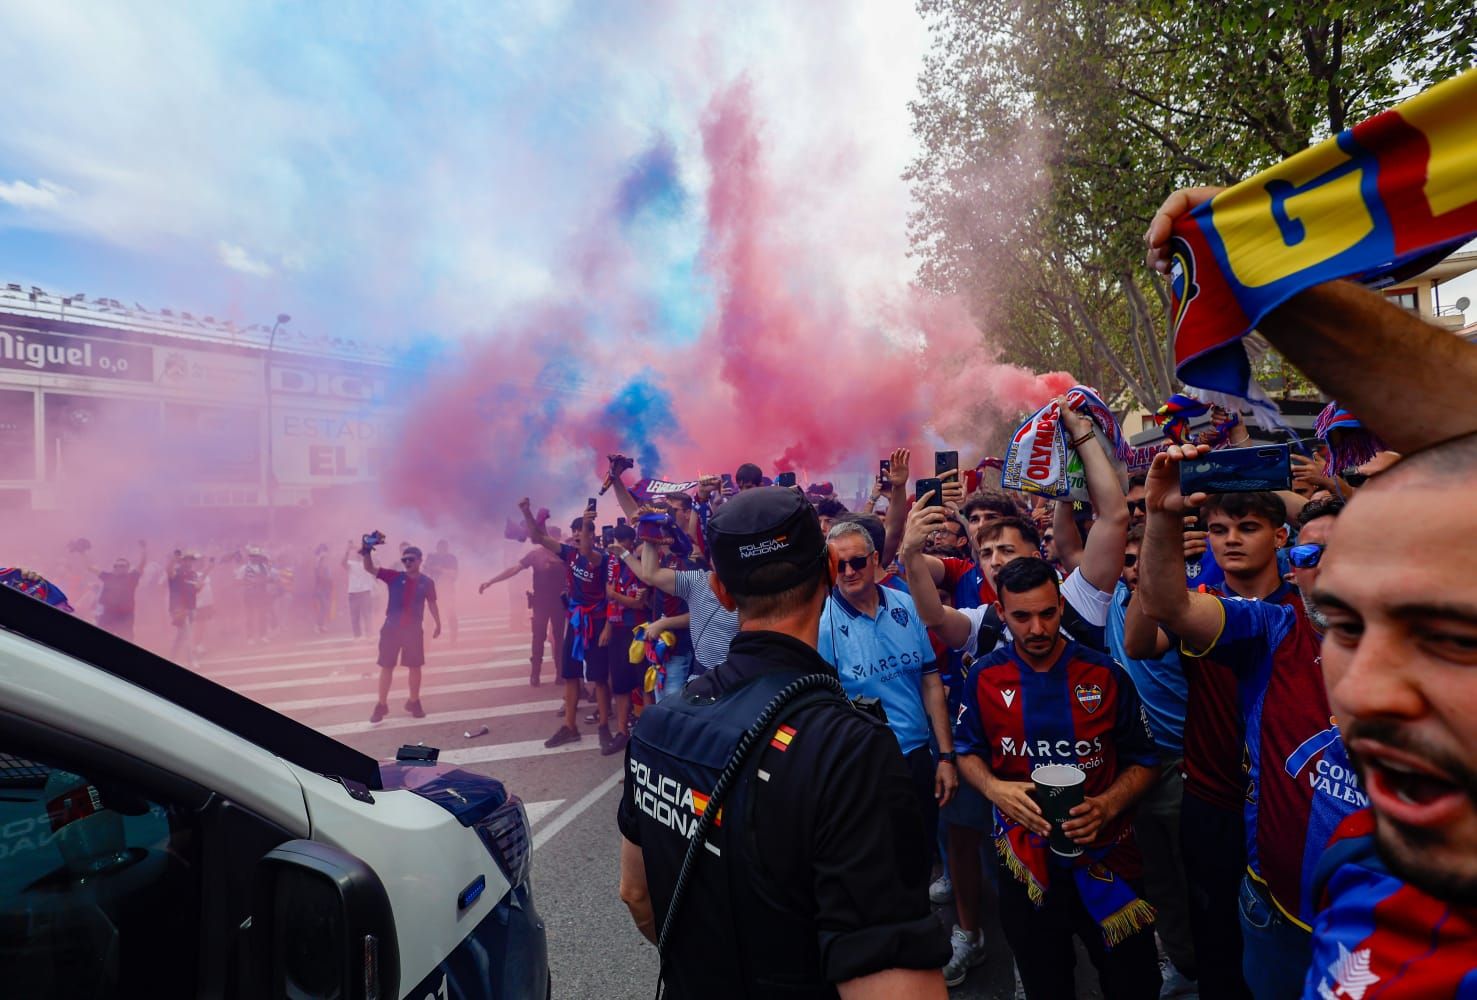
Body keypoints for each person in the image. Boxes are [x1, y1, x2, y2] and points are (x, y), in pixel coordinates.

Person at [616, 485, 950, 998]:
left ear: (721, 592)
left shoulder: (657, 725)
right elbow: (896, 980)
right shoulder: (849, 746)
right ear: (826, 575)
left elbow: (636, 894)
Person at [1137, 447, 1362, 1000]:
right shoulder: (1270, 627)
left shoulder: (1429, 648)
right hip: (1261, 882)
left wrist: (1299, 483)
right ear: (1296, 562)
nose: (1326, 568)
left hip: (1372, 916)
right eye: (1312, 555)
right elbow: (1161, 612)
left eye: (1345, 552)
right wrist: (1162, 516)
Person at [955, 556, 1161, 998]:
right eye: (1022, 616)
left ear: (1061, 607)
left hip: (1108, 859)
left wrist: (1106, 804)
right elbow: (966, 752)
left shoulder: (1105, 675)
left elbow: (1145, 762)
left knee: (1134, 982)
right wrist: (994, 788)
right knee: (1045, 983)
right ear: (1000, 611)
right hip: (1025, 864)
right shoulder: (985, 677)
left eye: (1047, 613)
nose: (1037, 629)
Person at [817, 519, 958, 881]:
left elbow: (929, 680)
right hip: (865, 766)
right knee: (879, 866)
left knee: (921, 856)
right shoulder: (823, 625)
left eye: (857, 562)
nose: (848, 572)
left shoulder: (905, 605)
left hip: (916, 756)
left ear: (875, 559)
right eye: (838, 565)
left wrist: (944, 755)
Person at [1107, 524, 1197, 995]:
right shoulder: (1109, 606)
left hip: (1183, 763)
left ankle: (1217, 965)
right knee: (1157, 876)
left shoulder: (1184, 611)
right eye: (1127, 561)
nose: (1135, 570)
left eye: (1145, 559)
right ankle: (1184, 963)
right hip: (1135, 766)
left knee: (1195, 875)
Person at [519, 500, 608, 749]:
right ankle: (570, 727)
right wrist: (527, 512)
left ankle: (603, 727)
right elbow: (537, 537)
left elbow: (589, 551)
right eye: (575, 531)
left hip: (597, 622)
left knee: (599, 678)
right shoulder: (568, 554)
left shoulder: (600, 558)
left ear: (591, 534)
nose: (577, 535)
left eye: (583, 531)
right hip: (576, 622)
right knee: (570, 676)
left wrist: (588, 521)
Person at [479, 525, 568, 687]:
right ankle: (535, 674)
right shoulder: (535, 555)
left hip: (559, 603)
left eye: (554, 538)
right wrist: (491, 581)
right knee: (538, 638)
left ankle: (560, 674)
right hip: (540, 602)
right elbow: (514, 569)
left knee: (559, 638)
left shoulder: (565, 555)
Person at [364, 541, 441, 724]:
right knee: (387, 666)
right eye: (404, 559)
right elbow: (369, 567)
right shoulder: (393, 576)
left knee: (415, 667)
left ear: (420, 560)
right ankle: (381, 705)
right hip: (391, 629)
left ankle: (414, 702)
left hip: (413, 631)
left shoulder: (427, 582)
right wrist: (366, 550)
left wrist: (438, 623)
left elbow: (432, 603)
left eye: (411, 559)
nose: (407, 562)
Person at [96, 540, 146, 641]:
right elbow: (91, 568)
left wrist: (144, 549)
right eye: (116, 566)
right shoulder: (108, 576)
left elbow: (142, 565)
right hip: (108, 614)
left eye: (122, 566)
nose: (118, 567)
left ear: (127, 568)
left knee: (125, 640)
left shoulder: (132, 577)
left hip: (125, 616)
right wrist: (82, 552)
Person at [166, 549, 200, 669]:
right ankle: (191, 660)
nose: (189, 562)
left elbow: (195, 590)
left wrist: (198, 587)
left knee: (181, 635)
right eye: (186, 559)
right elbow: (168, 571)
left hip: (191, 607)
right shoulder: (177, 572)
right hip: (179, 608)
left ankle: (172, 657)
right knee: (187, 634)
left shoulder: (193, 574)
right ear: (182, 561)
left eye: (191, 560)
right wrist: (174, 559)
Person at [424, 539, 460, 645]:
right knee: (429, 617)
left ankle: (453, 640)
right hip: (433, 591)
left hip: (447, 590)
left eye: (444, 548)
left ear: (447, 549)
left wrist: (440, 570)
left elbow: (454, 574)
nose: (441, 551)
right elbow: (424, 572)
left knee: (450, 614)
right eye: (440, 548)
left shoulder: (451, 558)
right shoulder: (431, 558)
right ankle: (427, 642)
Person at [343, 539, 376, 641]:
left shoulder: (368, 564)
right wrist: (348, 550)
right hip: (353, 593)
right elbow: (343, 563)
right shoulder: (351, 563)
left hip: (365, 592)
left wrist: (356, 547)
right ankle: (357, 636)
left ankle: (369, 635)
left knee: (367, 615)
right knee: (355, 616)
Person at [311, 543, 334, 634]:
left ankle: (321, 625)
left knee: (325, 607)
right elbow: (319, 575)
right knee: (324, 607)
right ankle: (318, 625)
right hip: (320, 589)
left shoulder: (325, 565)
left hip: (325, 589)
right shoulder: (319, 563)